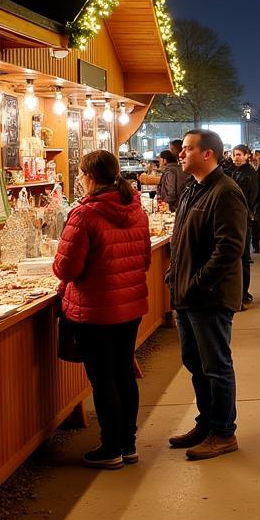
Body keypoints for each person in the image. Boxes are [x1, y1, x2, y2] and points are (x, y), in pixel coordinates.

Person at [53, 150, 152, 469]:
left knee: (103, 378)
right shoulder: (136, 208)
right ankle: (128, 444)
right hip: (130, 304)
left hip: (95, 309)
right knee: (124, 373)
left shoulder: (84, 214)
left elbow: (66, 268)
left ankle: (111, 448)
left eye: (80, 175)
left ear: (89, 177)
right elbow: (145, 259)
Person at [168, 130, 249, 460]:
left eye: (188, 149)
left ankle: (223, 432)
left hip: (209, 296)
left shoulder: (225, 192)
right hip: (186, 292)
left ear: (208, 154)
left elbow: (229, 248)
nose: (181, 155)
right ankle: (207, 422)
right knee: (194, 362)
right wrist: (175, 277)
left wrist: (198, 282)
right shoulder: (193, 189)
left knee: (216, 365)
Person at [222, 144, 260, 306]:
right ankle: (236, 292)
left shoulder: (251, 174)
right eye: (234, 154)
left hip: (243, 219)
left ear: (246, 156)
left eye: (238, 155)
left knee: (243, 257)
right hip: (230, 219)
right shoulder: (230, 171)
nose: (235, 157)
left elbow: (252, 198)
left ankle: (243, 292)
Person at [250, 150, 260, 253]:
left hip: (256, 204)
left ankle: (255, 245)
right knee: (254, 226)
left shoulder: (259, 175)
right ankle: (254, 246)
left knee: (256, 226)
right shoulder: (255, 174)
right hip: (254, 203)